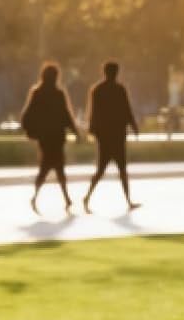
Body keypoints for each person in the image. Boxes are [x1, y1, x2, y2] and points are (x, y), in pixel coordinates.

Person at [20, 62, 79, 215]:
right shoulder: (58, 94)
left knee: (49, 166)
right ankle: (63, 198)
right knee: (55, 167)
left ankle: (60, 198)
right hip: (57, 137)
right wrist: (75, 132)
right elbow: (66, 115)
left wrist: (32, 131)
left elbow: (27, 115)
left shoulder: (37, 93)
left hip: (45, 137)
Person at [83, 61, 140, 213]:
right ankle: (127, 200)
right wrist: (134, 126)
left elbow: (93, 113)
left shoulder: (98, 90)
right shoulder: (119, 89)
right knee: (119, 169)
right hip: (117, 135)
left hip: (105, 136)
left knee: (104, 169)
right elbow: (127, 110)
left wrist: (93, 130)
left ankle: (88, 197)